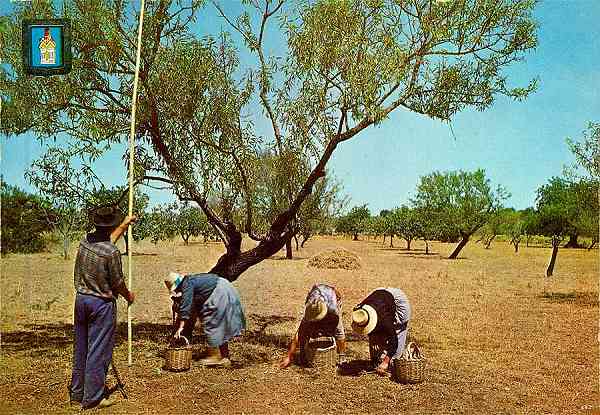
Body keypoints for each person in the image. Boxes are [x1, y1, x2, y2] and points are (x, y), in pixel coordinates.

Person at [69, 206, 136, 410]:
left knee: (81, 348)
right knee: (98, 351)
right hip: (101, 305)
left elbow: (105, 243)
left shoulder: (86, 241)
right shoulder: (112, 253)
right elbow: (117, 282)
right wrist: (128, 295)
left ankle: (77, 393)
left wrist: (124, 225)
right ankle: (94, 398)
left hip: (81, 301)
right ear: (111, 225)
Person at [167, 272, 246, 367]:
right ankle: (225, 357)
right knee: (217, 324)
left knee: (212, 323)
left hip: (219, 292)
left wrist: (180, 328)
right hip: (225, 287)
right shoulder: (193, 280)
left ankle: (215, 356)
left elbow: (186, 306)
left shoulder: (187, 284)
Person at [280, 283, 347, 369]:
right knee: (306, 330)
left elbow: (340, 334)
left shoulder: (333, 309)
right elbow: (299, 334)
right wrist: (289, 356)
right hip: (317, 294)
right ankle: (303, 354)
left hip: (331, 297)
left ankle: (342, 357)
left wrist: (342, 357)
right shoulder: (311, 309)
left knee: (336, 329)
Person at [352, 287, 411, 376]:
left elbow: (394, 340)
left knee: (395, 358)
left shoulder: (384, 319)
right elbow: (368, 327)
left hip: (397, 301)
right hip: (381, 297)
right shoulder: (360, 311)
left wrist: (386, 362)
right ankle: (377, 362)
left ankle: (389, 363)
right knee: (376, 342)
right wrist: (374, 338)